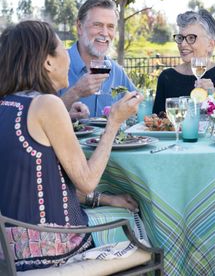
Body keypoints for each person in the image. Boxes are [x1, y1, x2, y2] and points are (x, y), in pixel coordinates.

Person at [0, 20, 143, 271]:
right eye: (61, 50)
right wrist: (114, 123)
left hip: (10, 246)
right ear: (48, 62)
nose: (68, 57)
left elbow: (38, 182)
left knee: (119, 207)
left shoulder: (8, 105)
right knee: (142, 221)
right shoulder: (47, 104)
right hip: (54, 248)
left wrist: (105, 199)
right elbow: (87, 181)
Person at [59, 0, 137, 117]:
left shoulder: (117, 72)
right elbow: (34, 117)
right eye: (97, 25)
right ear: (79, 27)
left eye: (110, 26)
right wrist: (75, 92)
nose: (105, 33)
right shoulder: (54, 65)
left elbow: (138, 111)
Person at [153, 9, 215, 114]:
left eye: (191, 38)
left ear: (210, 45)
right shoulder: (166, 77)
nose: (183, 44)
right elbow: (156, 123)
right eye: (180, 38)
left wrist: (212, 98)